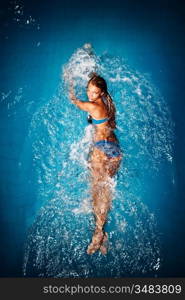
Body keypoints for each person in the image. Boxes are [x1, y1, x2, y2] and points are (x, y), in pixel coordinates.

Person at [69, 74, 123, 255]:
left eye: (94, 92)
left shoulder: (92, 105)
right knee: (105, 189)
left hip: (101, 150)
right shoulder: (108, 101)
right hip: (114, 148)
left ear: (101, 92)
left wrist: (69, 79)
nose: (91, 95)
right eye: (89, 91)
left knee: (96, 190)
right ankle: (102, 232)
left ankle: (98, 233)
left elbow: (74, 101)